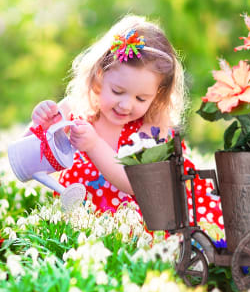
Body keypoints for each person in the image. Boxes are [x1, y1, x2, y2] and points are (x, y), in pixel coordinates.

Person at [23, 14, 224, 237]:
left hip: (145, 229)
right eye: (117, 91)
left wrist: (93, 145)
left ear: (157, 95)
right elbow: (26, 158)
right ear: (100, 74)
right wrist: (41, 124)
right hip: (86, 230)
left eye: (141, 98)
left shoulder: (151, 128)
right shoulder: (75, 109)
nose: (126, 105)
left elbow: (134, 184)